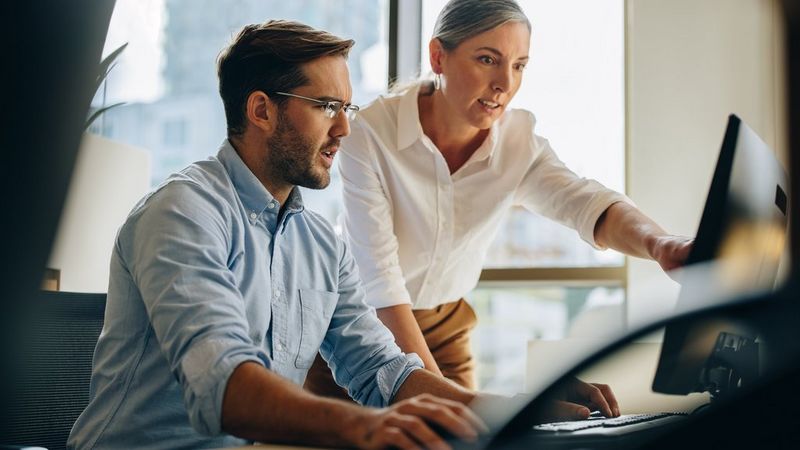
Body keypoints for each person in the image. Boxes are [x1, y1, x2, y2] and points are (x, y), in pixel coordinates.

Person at [67, 20, 506, 450]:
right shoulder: (182, 213)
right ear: (261, 110)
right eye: (326, 106)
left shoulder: (323, 246)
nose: (344, 130)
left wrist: (512, 411)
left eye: (347, 109)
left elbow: (382, 370)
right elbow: (222, 382)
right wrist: (366, 429)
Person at [304, 0, 693, 396]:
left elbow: (587, 204)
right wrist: (466, 407)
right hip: (360, 330)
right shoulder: (368, 133)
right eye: (488, 60)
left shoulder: (517, 143)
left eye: (519, 65)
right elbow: (380, 285)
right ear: (438, 57)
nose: (505, 84)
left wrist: (659, 244)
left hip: (446, 327)